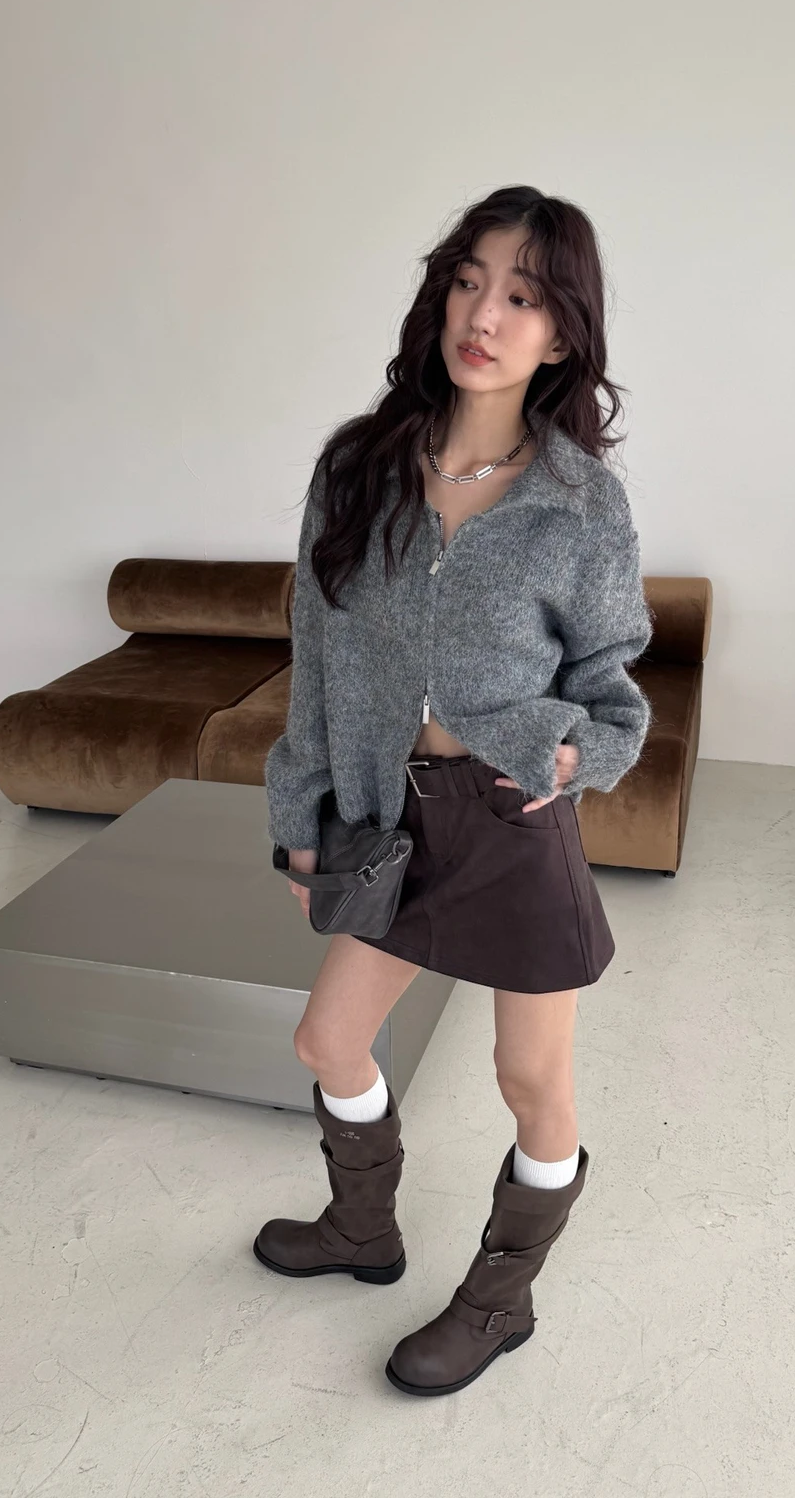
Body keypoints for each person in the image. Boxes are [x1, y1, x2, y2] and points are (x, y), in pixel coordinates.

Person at [256, 184, 654, 1397]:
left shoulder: (579, 503)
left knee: (531, 1081)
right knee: (328, 1037)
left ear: (563, 332)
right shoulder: (359, 467)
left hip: (510, 821)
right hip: (386, 818)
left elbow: (613, 690)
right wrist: (301, 821)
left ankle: (498, 1299)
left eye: (523, 296)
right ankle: (362, 1228)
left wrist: (574, 759)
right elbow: (316, 658)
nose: (485, 316)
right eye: (470, 282)